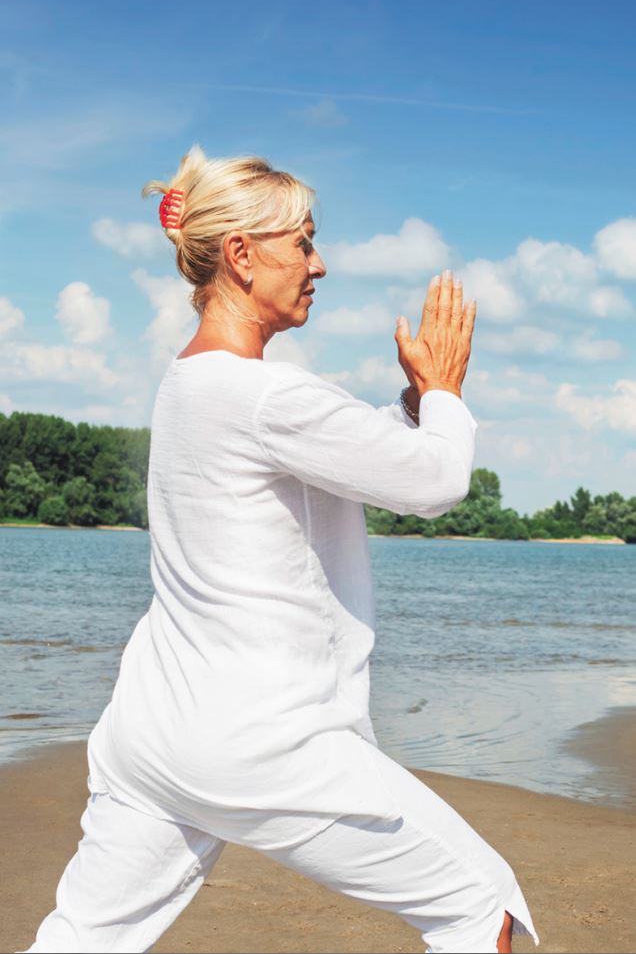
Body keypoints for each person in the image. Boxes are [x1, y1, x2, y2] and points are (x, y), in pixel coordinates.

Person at [24, 146, 538, 954]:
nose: (318, 263)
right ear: (240, 254)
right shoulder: (265, 394)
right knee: (482, 908)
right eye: (303, 242)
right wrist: (443, 390)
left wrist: (413, 405)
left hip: (154, 732)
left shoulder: (189, 383)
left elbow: (341, 450)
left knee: (82, 937)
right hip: (260, 742)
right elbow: (435, 479)